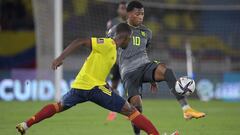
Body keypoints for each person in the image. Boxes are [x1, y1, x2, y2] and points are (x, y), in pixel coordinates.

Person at [15, 23, 160, 135]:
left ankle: (25, 125)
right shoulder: (108, 44)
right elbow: (80, 41)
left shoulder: (113, 52)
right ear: (125, 38)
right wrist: (60, 58)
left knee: (58, 106)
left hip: (80, 86)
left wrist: (106, 86)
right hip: (93, 88)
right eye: (129, 39)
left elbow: (97, 69)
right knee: (131, 111)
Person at [107, 1, 206, 135]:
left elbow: (144, 52)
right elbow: (107, 47)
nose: (141, 16)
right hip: (128, 73)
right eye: (137, 14)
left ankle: (186, 109)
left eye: (142, 14)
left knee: (166, 71)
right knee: (136, 109)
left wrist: (152, 79)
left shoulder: (147, 32)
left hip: (144, 65)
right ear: (129, 14)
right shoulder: (119, 28)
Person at [105, 1, 128, 122]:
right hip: (115, 60)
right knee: (113, 85)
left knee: (130, 84)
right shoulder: (113, 23)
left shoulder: (133, 24)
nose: (122, 10)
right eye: (121, 8)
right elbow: (108, 40)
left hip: (128, 61)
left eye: (124, 8)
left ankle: (130, 110)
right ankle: (113, 110)